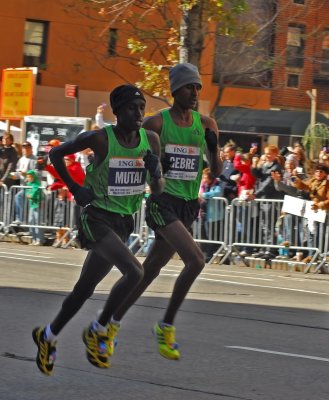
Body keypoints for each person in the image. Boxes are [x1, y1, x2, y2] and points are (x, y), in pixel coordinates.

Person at [32, 84, 164, 375]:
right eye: (132, 108)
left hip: (124, 221)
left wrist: (155, 172)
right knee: (135, 272)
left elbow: (158, 188)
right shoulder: (100, 139)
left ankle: (48, 335)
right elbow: (56, 155)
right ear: (117, 112)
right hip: (97, 218)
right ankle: (99, 328)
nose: (139, 113)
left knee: (83, 289)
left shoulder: (150, 140)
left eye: (141, 108)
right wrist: (75, 188)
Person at [112, 62, 221, 361]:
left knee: (148, 273)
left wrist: (213, 150)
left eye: (198, 86)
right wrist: (158, 167)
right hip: (163, 202)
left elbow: (218, 170)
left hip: (188, 204)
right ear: (175, 90)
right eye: (189, 86)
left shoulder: (207, 124)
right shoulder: (156, 124)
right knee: (196, 261)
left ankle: (108, 324)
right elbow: (138, 161)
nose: (195, 92)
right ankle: (166, 325)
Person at [12, 141, 37, 223]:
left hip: (32, 187)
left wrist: (25, 174)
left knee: (18, 197)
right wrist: (14, 175)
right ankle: (21, 220)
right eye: (24, 148)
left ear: (31, 149)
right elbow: (18, 173)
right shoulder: (21, 159)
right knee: (22, 202)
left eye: (27, 148)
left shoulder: (35, 159)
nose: (25, 149)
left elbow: (35, 174)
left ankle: (19, 219)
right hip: (23, 186)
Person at [25, 170, 44, 245]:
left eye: (30, 177)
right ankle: (34, 238)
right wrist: (29, 195)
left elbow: (34, 192)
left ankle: (39, 240)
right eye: (28, 177)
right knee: (30, 221)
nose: (28, 178)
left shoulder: (37, 183)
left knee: (37, 222)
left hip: (37, 205)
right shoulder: (28, 184)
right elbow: (27, 193)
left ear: (33, 177)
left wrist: (30, 195)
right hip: (32, 205)